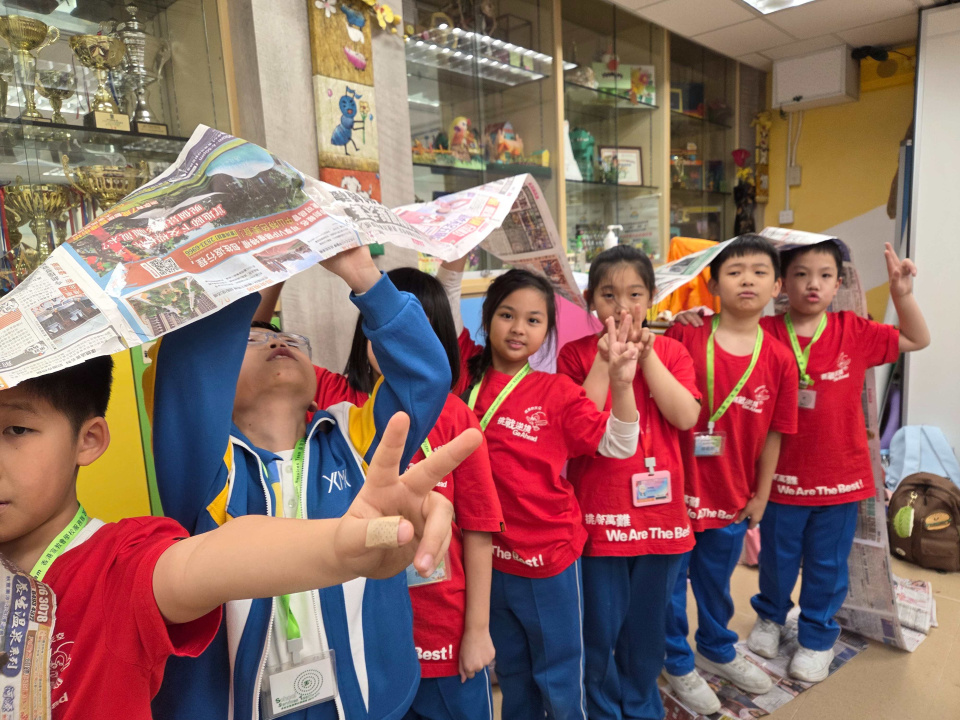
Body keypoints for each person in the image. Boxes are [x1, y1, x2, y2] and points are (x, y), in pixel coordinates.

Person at [1, 352, 474, 720]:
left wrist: (336, 547)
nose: (276, 348)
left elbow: (206, 559)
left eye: (15, 429)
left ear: (89, 439)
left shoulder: (119, 564)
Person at [149, 246, 453, 720]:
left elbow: (426, 375)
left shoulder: (352, 438)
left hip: (365, 700)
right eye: (253, 340)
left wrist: (363, 275)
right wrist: (253, 253)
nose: (278, 341)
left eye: (292, 338)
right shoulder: (204, 463)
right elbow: (189, 365)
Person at [448, 263, 642, 720]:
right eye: (507, 315)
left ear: (547, 331)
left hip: (545, 557)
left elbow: (619, 444)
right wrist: (453, 261)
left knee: (559, 678)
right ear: (487, 317)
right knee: (514, 673)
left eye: (533, 320)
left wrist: (621, 384)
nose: (519, 328)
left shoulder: (557, 392)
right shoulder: (464, 372)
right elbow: (446, 296)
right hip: (484, 558)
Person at [741, 241, 929, 681]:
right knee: (777, 560)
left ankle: (816, 637)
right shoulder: (762, 332)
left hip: (840, 480)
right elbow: (718, 341)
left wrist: (902, 294)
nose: (813, 284)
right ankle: (770, 617)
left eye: (824, 275)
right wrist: (691, 321)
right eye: (801, 274)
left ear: (838, 284)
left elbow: (918, 339)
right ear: (781, 284)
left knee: (827, 566)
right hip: (780, 479)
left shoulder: (854, 330)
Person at [328, 266, 506, 720]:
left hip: (445, 635)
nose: (398, 342)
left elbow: (480, 531)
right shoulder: (341, 411)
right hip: (371, 640)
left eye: (415, 331)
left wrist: (477, 630)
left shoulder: (456, 418)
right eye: (384, 326)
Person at [556, 245, 701, 720]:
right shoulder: (576, 355)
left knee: (647, 630)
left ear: (652, 297)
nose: (622, 307)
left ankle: (641, 704)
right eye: (608, 295)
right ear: (589, 301)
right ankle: (601, 709)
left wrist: (648, 357)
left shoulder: (673, 351)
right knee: (599, 630)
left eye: (635, 294)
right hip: (601, 519)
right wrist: (604, 361)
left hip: (661, 521)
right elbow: (576, 430)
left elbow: (685, 416)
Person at [662, 235, 798, 715]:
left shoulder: (779, 358)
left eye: (760, 272)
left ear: (777, 286)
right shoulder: (686, 335)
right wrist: (674, 322)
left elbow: (777, 432)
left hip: (733, 494)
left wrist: (762, 494)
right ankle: (675, 660)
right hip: (672, 493)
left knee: (717, 582)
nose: (747, 280)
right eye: (735, 271)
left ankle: (716, 648)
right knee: (669, 586)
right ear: (714, 285)